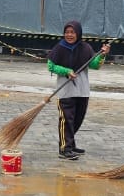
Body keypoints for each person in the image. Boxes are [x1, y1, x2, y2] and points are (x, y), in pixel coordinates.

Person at [46, 21, 110, 159]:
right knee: (66, 119)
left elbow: (94, 65)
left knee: (77, 119)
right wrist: (66, 71)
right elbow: (51, 66)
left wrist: (102, 55)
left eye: (72, 32)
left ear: (78, 33)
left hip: (82, 90)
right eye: (67, 32)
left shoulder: (85, 47)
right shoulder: (59, 48)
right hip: (66, 90)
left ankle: (70, 144)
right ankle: (65, 149)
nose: (69, 35)